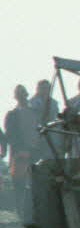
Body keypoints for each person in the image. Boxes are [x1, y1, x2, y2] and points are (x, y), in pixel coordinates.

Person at [4, 86, 38, 219]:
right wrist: (21, 149)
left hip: (34, 153)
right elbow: (10, 135)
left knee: (34, 183)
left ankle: (32, 212)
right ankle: (21, 213)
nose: (22, 97)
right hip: (19, 154)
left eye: (23, 94)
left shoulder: (34, 113)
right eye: (19, 94)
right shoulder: (12, 114)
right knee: (19, 184)